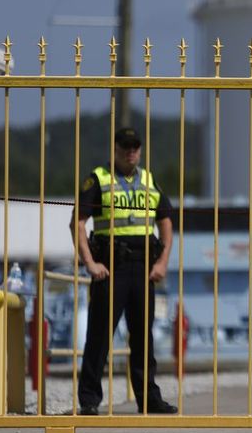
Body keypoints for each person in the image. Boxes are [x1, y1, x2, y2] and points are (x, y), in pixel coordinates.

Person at [71, 127, 177, 415]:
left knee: (143, 337)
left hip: (143, 269)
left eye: (135, 147)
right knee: (99, 336)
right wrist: (90, 264)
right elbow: (77, 222)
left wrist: (162, 262)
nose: (131, 151)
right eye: (125, 146)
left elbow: (166, 221)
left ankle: (149, 399)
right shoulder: (99, 179)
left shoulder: (149, 180)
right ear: (115, 149)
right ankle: (89, 401)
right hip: (111, 268)